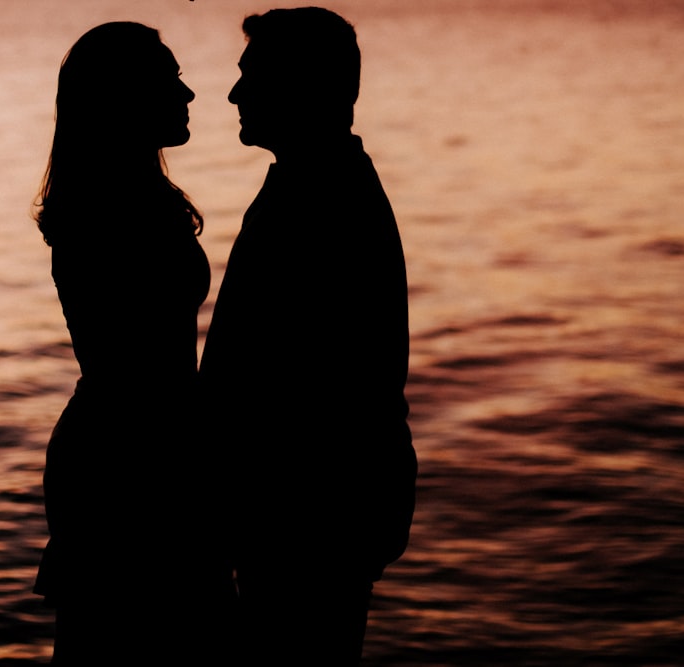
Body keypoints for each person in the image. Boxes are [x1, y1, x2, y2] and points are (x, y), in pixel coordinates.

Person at [200, 7, 417, 665]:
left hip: (308, 513)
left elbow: (300, 381)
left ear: (299, 84)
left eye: (251, 76)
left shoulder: (323, 197)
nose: (235, 94)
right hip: (317, 506)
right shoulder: (316, 179)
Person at [31, 22, 231, 664]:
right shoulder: (104, 213)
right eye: (171, 80)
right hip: (127, 457)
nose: (191, 94)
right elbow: (137, 369)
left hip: (144, 444)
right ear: (126, 98)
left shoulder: (134, 199)